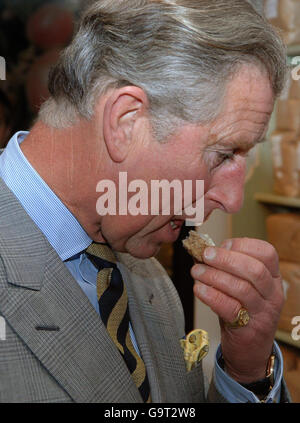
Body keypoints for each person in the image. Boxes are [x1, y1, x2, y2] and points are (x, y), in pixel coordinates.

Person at [0, 0, 291, 403]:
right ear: (126, 122)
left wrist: (246, 371)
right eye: (223, 154)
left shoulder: (148, 279)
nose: (232, 199)